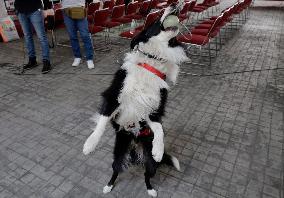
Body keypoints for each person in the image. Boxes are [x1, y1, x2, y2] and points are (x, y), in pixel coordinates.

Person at [14, 0, 52, 74]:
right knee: (27, 36)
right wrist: (16, 9)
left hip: (35, 9)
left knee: (41, 37)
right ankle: (32, 60)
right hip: (21, 10)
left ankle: (46, 61)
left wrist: (47, 8)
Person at [62, 0, 95, 69]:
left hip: (79, 8)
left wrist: (87, 4)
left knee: (85, 35)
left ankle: (89, 58)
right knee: (72, 35)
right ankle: (77, 56)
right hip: (66, 9)